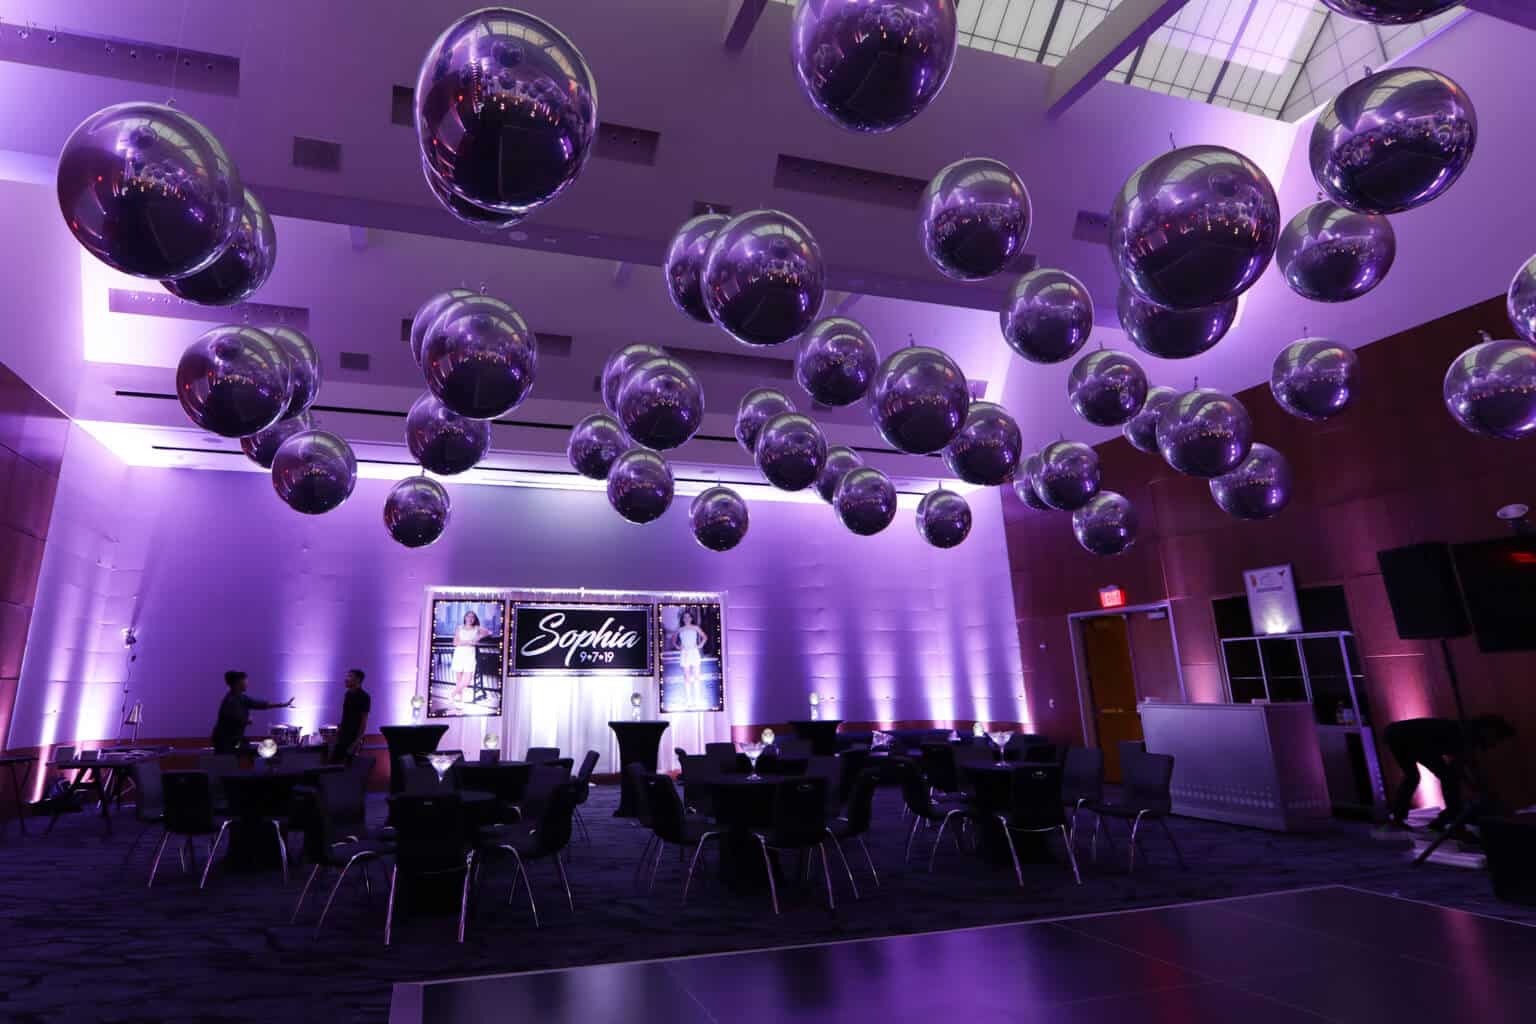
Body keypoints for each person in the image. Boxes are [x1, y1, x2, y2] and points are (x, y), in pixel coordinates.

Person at [1384, 714, 1516, 830]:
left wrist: (1473, 786)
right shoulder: (1465, 735)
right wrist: (1474, 787)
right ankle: (1453, 823)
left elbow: (1459, 767)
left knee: (1417, 777)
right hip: (1407, 737)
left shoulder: (1466, 734)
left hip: (1402, 735)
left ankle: (1445, 821)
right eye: (1497, 739)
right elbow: (1458, 768)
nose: (1495, 744)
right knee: (1443, 778)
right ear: (1489, 730)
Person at [211, 671, 293, 754]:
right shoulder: (230, 700)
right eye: (245, 681)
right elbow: (231, 719)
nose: (247, 684)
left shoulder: (242, 698)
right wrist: (246, 720)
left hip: (234, 740)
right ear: (238, 683)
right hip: (225, 742)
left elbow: (260, 704)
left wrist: (283, 705)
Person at [449, 609, 492, 705]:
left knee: (467, 680)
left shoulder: (477, 628)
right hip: (459, 654)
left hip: (470, 655)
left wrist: (478, 637)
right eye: (468, 616)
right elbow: (455, 643)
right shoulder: (459, 628)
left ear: (474, 619)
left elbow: (489, 632)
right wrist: (469, 642)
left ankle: (452, 694)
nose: (470, 618)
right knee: (459, 680)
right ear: (465, 617)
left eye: (472, 617)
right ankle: (460, 699)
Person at [330, 668, 371, 764]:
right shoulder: (348, 694)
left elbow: (364, 721)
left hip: (353, 738)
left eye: (350, 676)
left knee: (347, 769)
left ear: (358, 680)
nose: (346, 679)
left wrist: (356, 743)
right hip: (343, 735)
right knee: (334, 765)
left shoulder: (364, 697)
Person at [673, 609, 710, 710]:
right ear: (683, 619)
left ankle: (697, 700)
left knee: (697, 676)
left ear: (691, 618)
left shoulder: (695, 628)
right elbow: (674, 640)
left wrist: (700, 645)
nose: (687, 619)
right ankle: (689, 701)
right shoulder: (680, 629)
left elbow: (705, 637)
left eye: (688, 617)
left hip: (694, 652)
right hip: (685, 653)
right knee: (687, 677)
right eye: (685, 617)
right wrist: (678, 646)